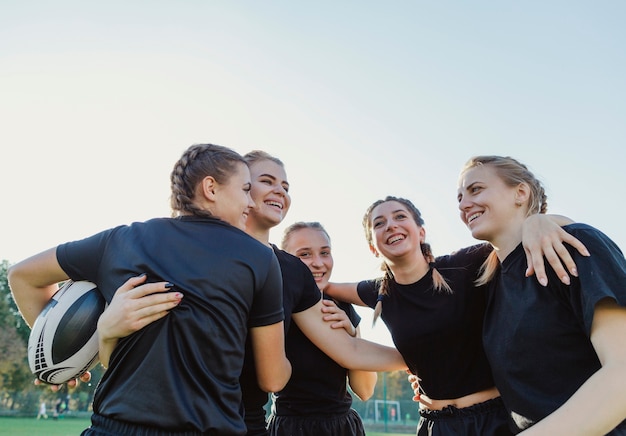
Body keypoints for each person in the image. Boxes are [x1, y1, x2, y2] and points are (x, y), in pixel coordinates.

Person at [96, 150, 408, 436]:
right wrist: (104, 333)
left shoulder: (293, 275)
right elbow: (135, 358)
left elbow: (349, 356)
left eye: (285, 186)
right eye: (263, 182)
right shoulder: (178, 252)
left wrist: (423, 358)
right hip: (158, 422)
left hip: (246, 424)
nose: (280, 192)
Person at [8, 143, 292, 435]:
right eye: (245, 190)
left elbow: (22, 275)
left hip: (112, 429)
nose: (251, 203)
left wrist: (64, 350)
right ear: (211, 188)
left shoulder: (121, 240)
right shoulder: (259, 257)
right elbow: (273, 380)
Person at [325, 195, 588, 436]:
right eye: (379, 223)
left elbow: (561, 227)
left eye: (400, 216)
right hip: (433, 426)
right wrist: (350, 324)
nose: (391, 225)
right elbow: (323, 286)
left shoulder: (464, 264)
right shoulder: (380, 291)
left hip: (492, 421)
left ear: (421, 232)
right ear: (373, 247)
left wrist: (538, 222)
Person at [457, 155, 626, 435]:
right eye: (459, 198)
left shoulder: (574, 244)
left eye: (475, 189)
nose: (463, 205)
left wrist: (540, 221)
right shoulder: (489, 285)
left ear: (521, 193)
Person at [266, 221, 377, 436]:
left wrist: (353, 337)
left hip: (341, 428)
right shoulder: (272, 305)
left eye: (325, 253)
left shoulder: (342, 307)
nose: (318, 263)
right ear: (285, 261)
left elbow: (365, 390)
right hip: (290, 429)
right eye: (305, 254)